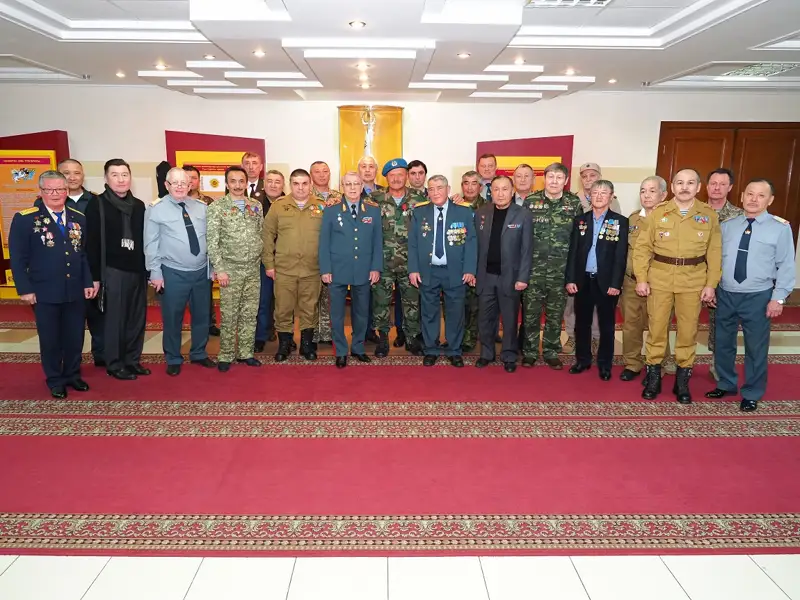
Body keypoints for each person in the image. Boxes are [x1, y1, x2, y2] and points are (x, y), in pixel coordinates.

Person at [705, 179, 795, 412]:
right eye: (750, 194)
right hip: (726, 293)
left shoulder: (780, 228)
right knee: (723, 343)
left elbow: (786, 265)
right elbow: (715, 259)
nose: (754, 200)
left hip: (758, 296)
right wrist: (712, 286)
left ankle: (752, 392)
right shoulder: (728, 225)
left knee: (756, 347)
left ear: (770, 200)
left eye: (761, 195)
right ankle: (726, 383)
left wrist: (778, 298)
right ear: (742, 196)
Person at [633, 168, 721, 404]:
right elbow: (642, 248)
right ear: (672, 187)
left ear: (698, 187)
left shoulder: (708, 215)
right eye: (680, 183)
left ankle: (682, 381)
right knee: (656, 330)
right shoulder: (658, 213)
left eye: (690, 183)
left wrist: (711, 284)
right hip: (660, 279)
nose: (684, 187)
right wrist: (641, 278)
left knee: (688, 332)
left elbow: (714, 253)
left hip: (693, 281)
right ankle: (653, 378)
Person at [9, 170, 97, 398]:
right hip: (44, 290)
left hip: (75, 288)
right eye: (50, 190)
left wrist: (88, 281)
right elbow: (17, 258)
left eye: (60, 189)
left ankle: (72, 374)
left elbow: (82, 254)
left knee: (75, 336)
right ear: (41, 192)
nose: (55, 194)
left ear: (67, 191)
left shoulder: (78, 217)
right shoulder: (26, 219)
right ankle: (55, 379)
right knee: (50, 338)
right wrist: (25, 288)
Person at [144, 168, 216, 376]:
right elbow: (150, 243)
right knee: (173, 317)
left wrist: (212, 267)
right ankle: (173, 357)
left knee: (202, 316)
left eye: (183, 183)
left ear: (190, 185)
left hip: (201, 272)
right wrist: (155, 272)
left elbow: (211, 240)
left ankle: (199, 353)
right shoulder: (156, 209)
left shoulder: (202, 208)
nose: (179, 186)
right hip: (172, 272)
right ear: (166, 185)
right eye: (174, 183)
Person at [85, 159, 149, 380]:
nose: (121, 180)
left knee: (136, 319)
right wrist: (94, 277)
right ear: (106, 178)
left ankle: (132, 360)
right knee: (115, 320)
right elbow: (91, 243)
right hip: (112, 271)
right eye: (115, 175)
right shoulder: (97, 204)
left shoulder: (139, 206)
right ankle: (114, 363)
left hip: (137, 270)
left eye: (124, 174)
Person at [35, 159, 104, 365]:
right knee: (59, 328)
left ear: (83, 175)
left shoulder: (96, 201)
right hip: (57, 278)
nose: (72, 177)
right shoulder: (41, 205)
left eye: (77, 173)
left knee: (96, 319)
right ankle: (61, 367)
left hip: (90, 269)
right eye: (66, 173)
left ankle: (100, 358)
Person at [408, 175, 477, 367]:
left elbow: (471, 243)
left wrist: (470, 269)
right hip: (428, 270)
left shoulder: (463, 212)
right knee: (429, 312)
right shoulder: (419, 212)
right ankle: (431, 349)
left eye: (439, 188)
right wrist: (413, 269)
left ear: (448, 189)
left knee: (455, 312)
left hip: (455, 271)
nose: (435, 192)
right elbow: (413, 243)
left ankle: (454, 350)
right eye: (431, 189)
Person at [521, 162, 583, 369]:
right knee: (530, 314)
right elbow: (522, 237)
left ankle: (550, 351)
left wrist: (573, 274)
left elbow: (578, 240)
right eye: (550, 177)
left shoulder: (573, 204)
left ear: (566, 181)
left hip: (560, 271)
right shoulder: (531, 202)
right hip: (533, 271)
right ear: (544, 179)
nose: (554, 181)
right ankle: (530, 351)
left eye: (559, 177)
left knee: (555, 316)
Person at [565, 180, 628, 380]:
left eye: (604, 192)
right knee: (581, 323)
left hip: (606, 283)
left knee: (607, 326)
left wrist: (616, 283)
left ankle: (604, 364)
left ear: (611, 196)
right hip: (583, 280)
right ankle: (582, 360)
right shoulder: (580, 220)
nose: (599, 196)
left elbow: (620, 256)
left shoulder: (620, 221)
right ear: (589, 196)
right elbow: (573, 252)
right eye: (595, 192)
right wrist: (571, 279)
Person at [319, 171, 382, 368]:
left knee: (361, 312)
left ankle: (358, 347)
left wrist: (376, 267)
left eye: (356, 184)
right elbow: (324, 242)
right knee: (337, 314)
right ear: (342, 187)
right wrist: (325, 269)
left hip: (363, 269)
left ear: (362, 186)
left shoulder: (372, 210)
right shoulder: (331, 210)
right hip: (337, 269)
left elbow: (377, 242)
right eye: (348, 184)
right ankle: (340, 350)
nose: (353, 188)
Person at [263, 168, 326, 361]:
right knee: (283, 308)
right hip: (284, 269)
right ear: (290, 185)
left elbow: (330, 237)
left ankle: (306, 345)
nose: (300, 188)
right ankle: (284, 344)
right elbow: (267, 235)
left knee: (309, 308)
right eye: (296, 184)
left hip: (312, 268)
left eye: (304, 183)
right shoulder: (279, 206)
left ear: (310, 185)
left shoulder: (322, 206)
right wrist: (269, 264)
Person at [207, 166, 264, 372]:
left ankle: (246, 353)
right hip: (229, 270)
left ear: (246, 183)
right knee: (229, 314)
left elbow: (260, 233)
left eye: (241, 181)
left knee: (250, 313)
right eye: (233, 181)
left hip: (253, 269)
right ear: (226, 183)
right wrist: (220, 269)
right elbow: (212, 241)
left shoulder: (255, 205)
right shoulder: (217, 207)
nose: (238, 185)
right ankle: (226, 354)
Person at [619, 176, 676, 381]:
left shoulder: (672, 220)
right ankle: (632, 363)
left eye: (652, 191)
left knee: (658, 325)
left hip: (660, 284)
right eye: (643, 191)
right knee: (631, 325)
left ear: (664, 194)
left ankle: (658, 363)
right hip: (631, 282)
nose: (646, 195)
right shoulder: (633, 219)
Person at [474, 176, 532, 372]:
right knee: (485, 319)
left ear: (512, 191)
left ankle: (509, 355)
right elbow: (475, 246)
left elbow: (527, 250)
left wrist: (523, 277)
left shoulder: (523, 214)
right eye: (496, 189)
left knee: (509, 320)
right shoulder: (481, 213)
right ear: (491, 192)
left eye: (505, 189)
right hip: (486, 276)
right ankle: (486, 353)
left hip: (511, 277)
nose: (500, 193)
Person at [371, 158, 426, 357]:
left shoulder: (419, 199)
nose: (396, 179)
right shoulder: (374, 199)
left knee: (412, 303)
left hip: (411, 263)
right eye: (392, 175)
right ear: (386, 178)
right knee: (381, 304)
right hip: (383, 263)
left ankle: (411, 339)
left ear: (406, 176)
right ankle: (383, 339)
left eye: (400, 175)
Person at [705, 168, 744, 381]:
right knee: (683, 321)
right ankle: (676, 360)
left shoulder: (739, 215)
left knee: (720, 323)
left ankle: (718, 363)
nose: (717, 188)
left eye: (722, 184)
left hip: (724, 278)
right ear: (706, 186)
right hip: (692, 274)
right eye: (713, 183)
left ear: (730, 187)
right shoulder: (695, 211)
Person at [183, 165, 219, 337]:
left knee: (205, 295)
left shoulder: (208, 202)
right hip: (180, 257)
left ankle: (209, 323)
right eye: (187, 177)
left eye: (194, 178)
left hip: (204, 256)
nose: (190, 181)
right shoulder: (175, 200)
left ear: (199, 181)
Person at [254, 169, 286, 352]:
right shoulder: (254, 204)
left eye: (277, 182)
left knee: (286, 302)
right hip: (263, 260)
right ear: (264, 184)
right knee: (263, 300)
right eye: (270, 181)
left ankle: (286, 337)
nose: (273, 185)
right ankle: (261, 335)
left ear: (283, 185)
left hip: (286, 259)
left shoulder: (290, 203)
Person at [310, 161, 340, 346]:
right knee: (312, 296)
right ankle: (312, 333)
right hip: (312, 252)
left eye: (325, 171)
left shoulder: (339, 197)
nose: (322, 175)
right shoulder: (305, 196)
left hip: (334, 253)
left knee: (330, 296)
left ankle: (328, 334)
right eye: (317, 172)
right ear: (311, 175)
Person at [460, 170, 486, 352]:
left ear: (480, 187)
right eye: (466, 183)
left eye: (474, 183)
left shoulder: (489, 207)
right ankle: (456, 336)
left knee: (475, 305)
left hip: (479, 263)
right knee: (456, 304)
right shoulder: (454, 205)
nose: (469, 187)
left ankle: (470, 339)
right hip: (457, 263)